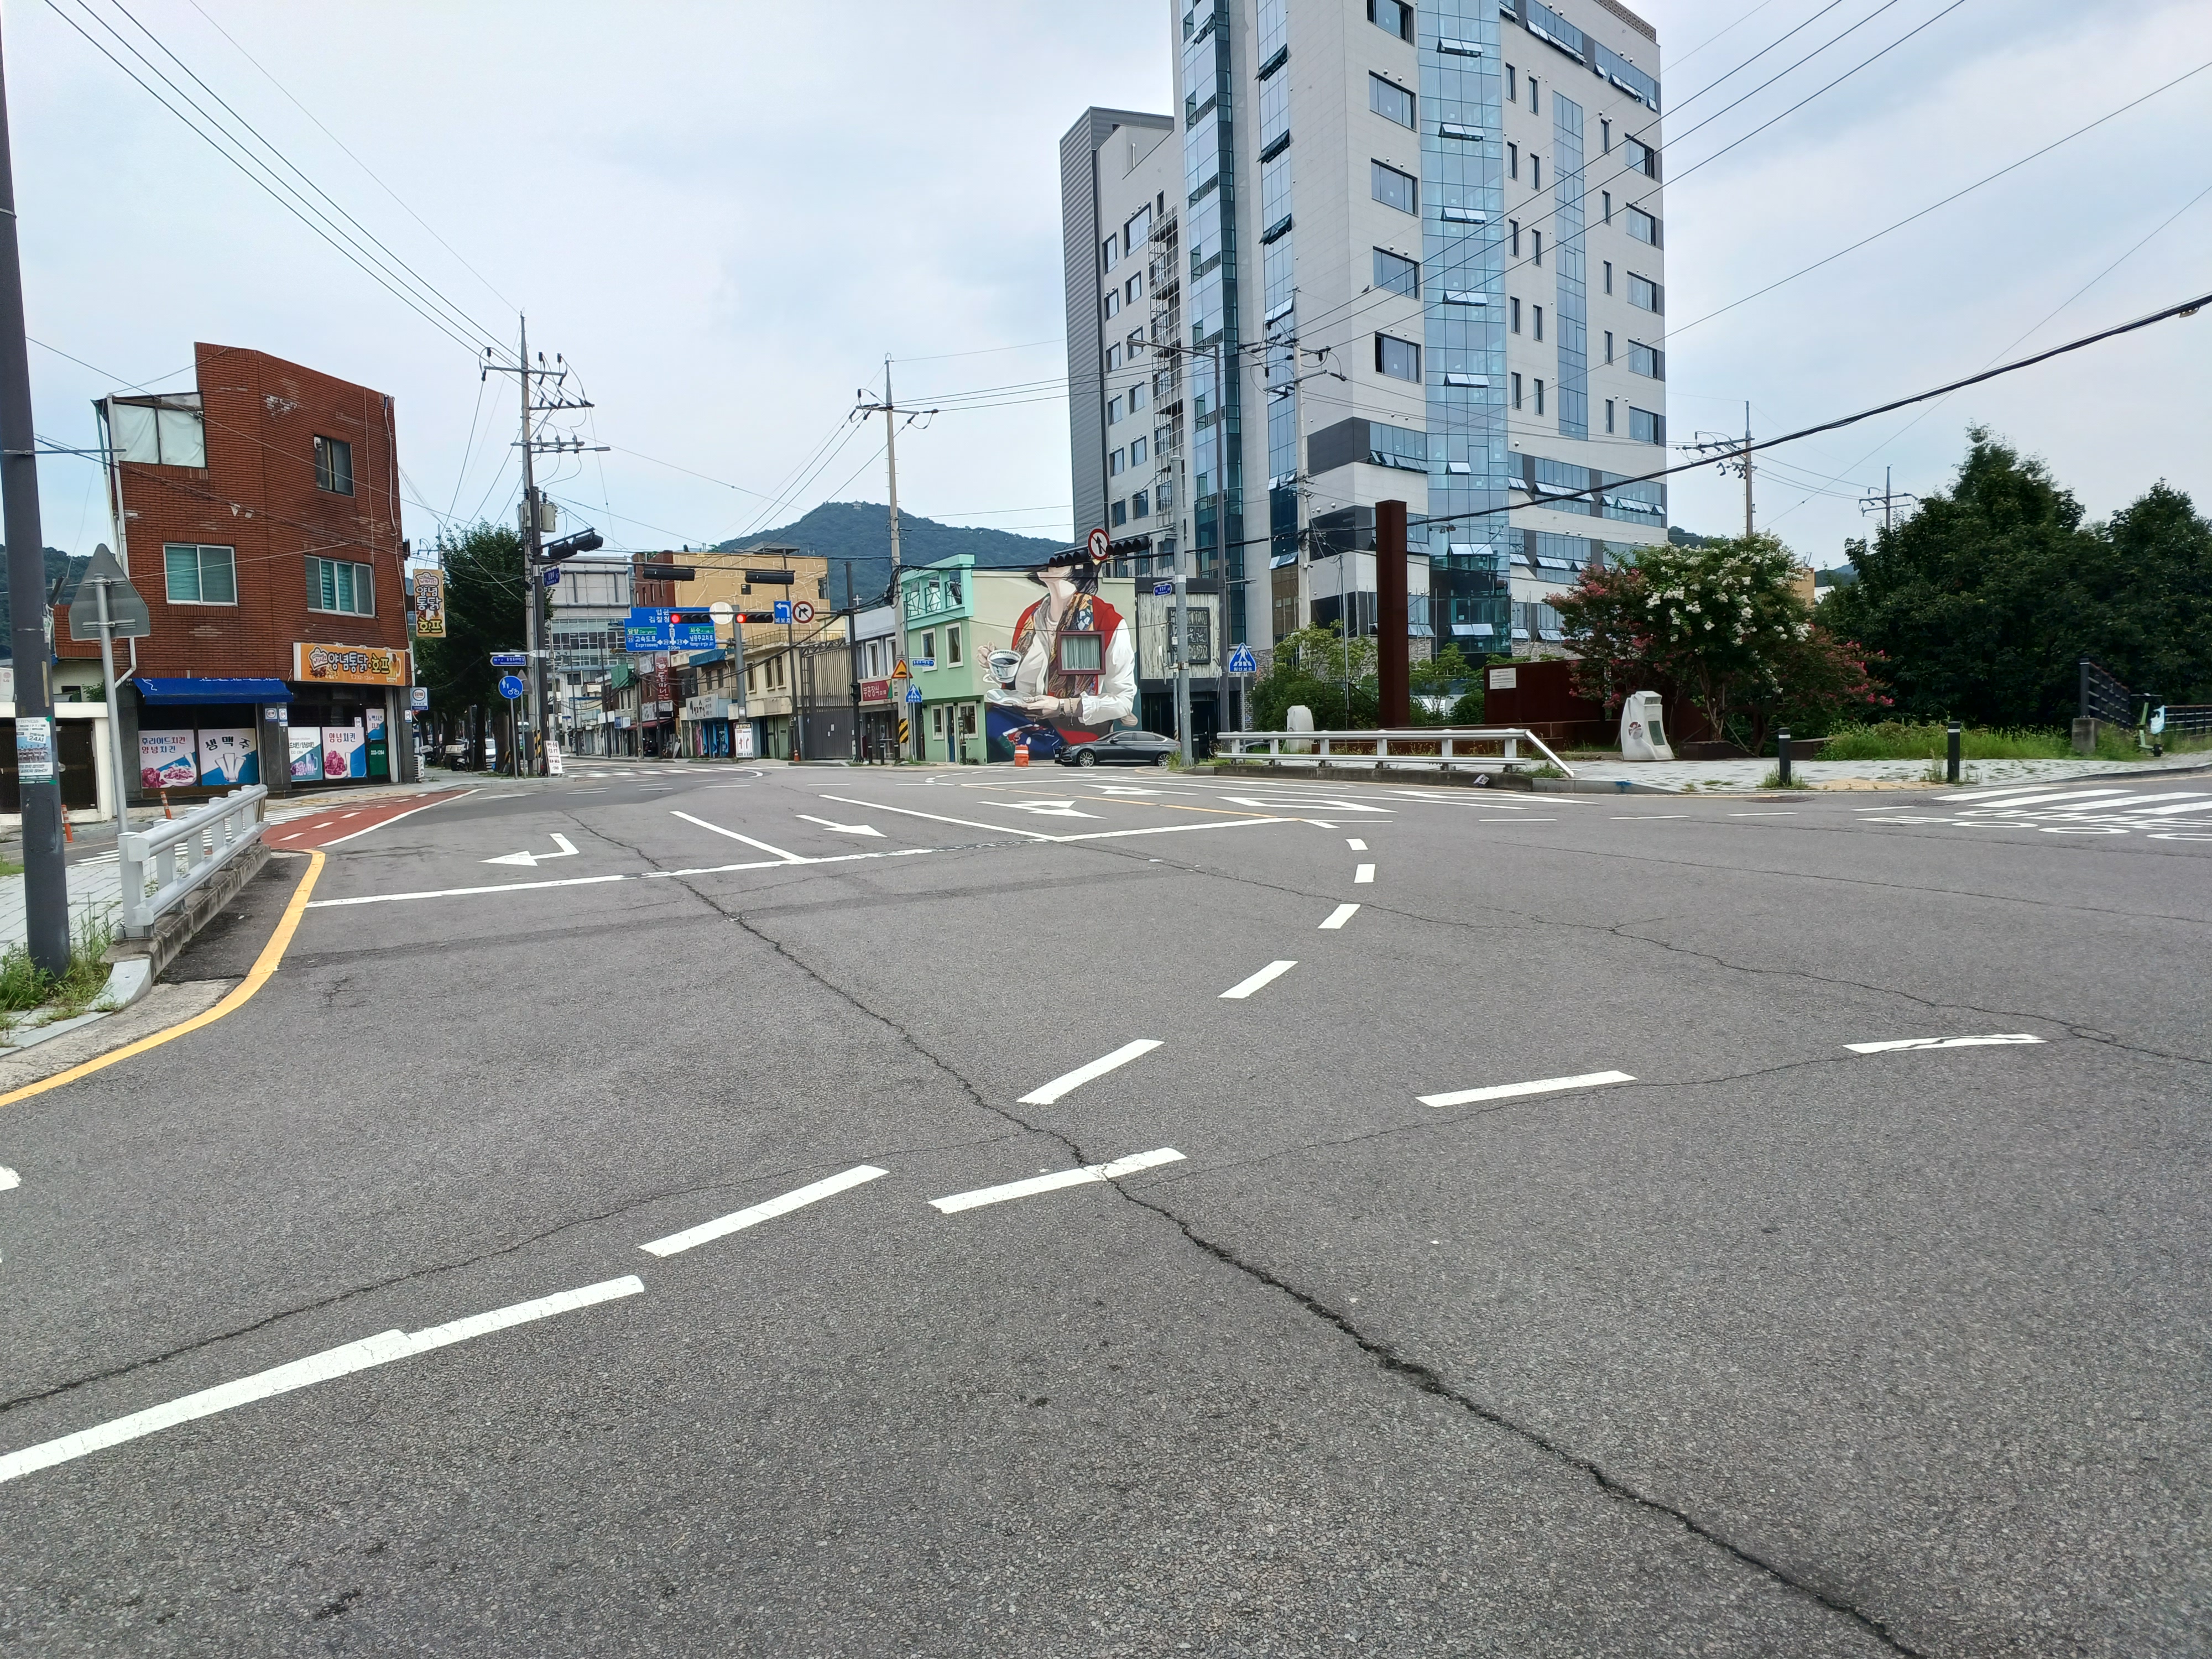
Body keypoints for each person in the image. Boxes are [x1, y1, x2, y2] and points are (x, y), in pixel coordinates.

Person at [984, 551, 1136, 760]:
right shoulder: (1029, 617)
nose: (1050, 563)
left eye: (1060, 559)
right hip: (1025, 725)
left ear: (1079, 567)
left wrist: (1061, 707)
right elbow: (1016, 688)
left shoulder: (1107, 621)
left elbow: (1123, 701)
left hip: (1077, 737)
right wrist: (996, 666)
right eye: (1046, 560)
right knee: (991, 718)